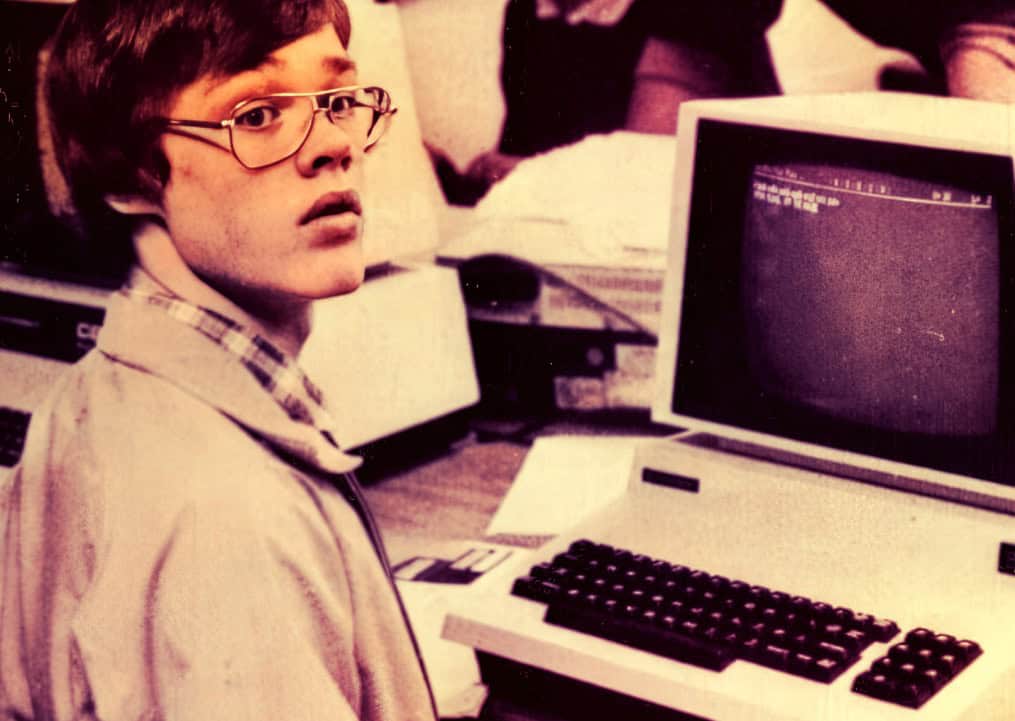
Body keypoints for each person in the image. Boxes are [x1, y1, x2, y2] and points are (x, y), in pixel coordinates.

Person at [0, 1, 437, 720]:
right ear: (126, 177)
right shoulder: (229, 522)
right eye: (257, 115)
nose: (333, 144)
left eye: (336, 100)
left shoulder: (88, 396)